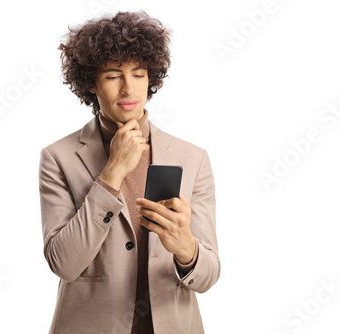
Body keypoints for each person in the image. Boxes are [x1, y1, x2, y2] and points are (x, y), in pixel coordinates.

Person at [39, 10, 220, 334]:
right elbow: (64, 264)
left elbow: (207, 276)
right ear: (91, 84)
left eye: (138, 73)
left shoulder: (192, 158)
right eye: (112, 75)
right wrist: (111, 173)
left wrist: (185, 248)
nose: (128, 89)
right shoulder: (58, 157)